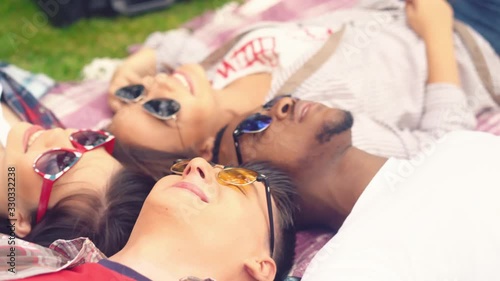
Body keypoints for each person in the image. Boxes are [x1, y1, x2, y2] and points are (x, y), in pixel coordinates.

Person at [107, 0, 500, 166]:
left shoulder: (213, 75)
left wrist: (141, 58)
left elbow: (179, 48)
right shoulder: (298, 124)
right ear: (205, 149)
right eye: (161, 110)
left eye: (134, 95)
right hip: (475, 40)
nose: (157, 87)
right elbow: (444, 143)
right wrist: (436, 30)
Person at [212, 96, 500, 280]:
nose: (283, 103)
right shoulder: (350, 264)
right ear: (255, 186)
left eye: (273, 99)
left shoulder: (458, 143)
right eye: (255, 124)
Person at [9, 158, 297, 281]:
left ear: (261, 267)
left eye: (237, 181)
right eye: (183, 165)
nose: (196, 164)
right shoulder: (26, 259)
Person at [0, 121, 152, 256]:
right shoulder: (31, 112)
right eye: (88, 140)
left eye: (55, 162)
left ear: (19, 218)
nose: (59, 133)